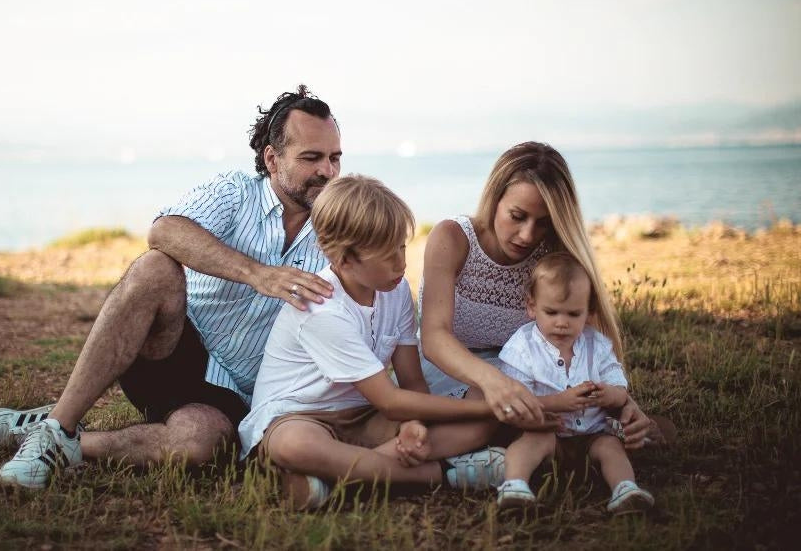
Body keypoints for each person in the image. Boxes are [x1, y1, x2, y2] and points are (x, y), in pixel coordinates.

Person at [0, 85, 343, 489]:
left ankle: (58, 440)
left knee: (201, 445)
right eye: (311, 158)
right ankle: (60, 424)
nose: (327, 171)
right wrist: (259, 274)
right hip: (173, 345)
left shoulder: (340, 225)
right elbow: (165, 230)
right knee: (155, 269)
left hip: (237, 393)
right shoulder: (236, 192)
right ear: (272, 159)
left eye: (334, 158)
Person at [239, 175, 527, 510]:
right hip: (299, 416)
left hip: (364, 415)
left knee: (475, 427)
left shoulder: (397, 290)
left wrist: (415, 426)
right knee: (294, 447)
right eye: (386, 255)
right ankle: (442, 473)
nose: (401, 263)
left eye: (402, 247)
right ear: (344, 260)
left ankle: (333, 478)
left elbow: (412, 380)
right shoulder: (321, 309)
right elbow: (390, 400)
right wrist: (492, 407)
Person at [418, 142, 666, 448]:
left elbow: (586, 342)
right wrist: (497, 382)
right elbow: (433, 337)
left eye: (544, 222)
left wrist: (623, 403)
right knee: (498, 410)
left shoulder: (554, 257)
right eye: (517, 216)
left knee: (556, 413)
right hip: (455, 369)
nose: (528, 235)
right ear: (495, 199)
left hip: (529, 374)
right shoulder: (453, 238)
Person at [495, 252, 654, 513]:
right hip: (549, 435)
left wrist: (609, 395)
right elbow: (516, 403)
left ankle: (625, 490)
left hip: (592, 436)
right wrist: (558, 403)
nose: (561, 322)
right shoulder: (522, 348)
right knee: (529, 444)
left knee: (611, 446)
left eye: (573, 314)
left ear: (589, 312)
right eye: (551, 312)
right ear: (531, 306)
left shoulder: (597, 345)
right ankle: (514, 487)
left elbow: (619, 387)